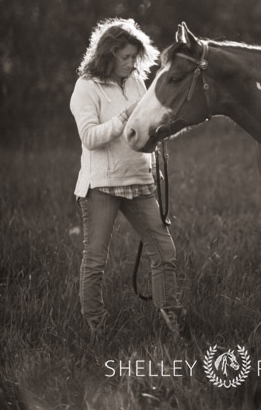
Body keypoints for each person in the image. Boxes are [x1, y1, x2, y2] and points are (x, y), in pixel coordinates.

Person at [70, 18, 185, 337]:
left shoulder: (135, 81)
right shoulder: (86, 87)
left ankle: (172, 315)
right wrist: (123, 118)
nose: (132, 63)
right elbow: (90, 137)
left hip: (140, 180)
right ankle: (96, 324)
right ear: (107, 55)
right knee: (95, 259)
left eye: (135, 57)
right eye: (125, 57)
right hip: (101, 186)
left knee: (164, 251)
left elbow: (146, 122)